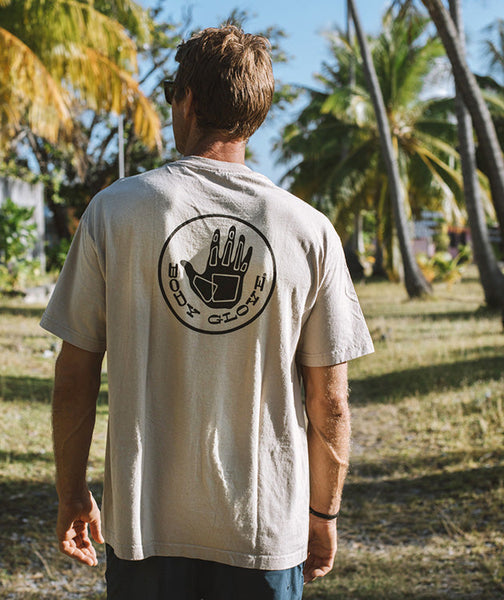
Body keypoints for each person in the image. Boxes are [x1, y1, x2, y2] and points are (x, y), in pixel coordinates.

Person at [41, 25, 374, 600]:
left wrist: (72, 492)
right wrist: (323, 514)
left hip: (145, 530)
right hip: (263, 531)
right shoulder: (308, 230)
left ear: (187, 100)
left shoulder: (114, 212)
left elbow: (75, 374)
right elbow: (331, 401)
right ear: (256, 115)